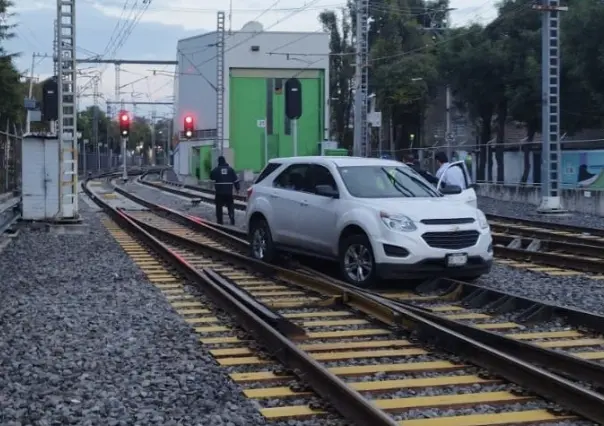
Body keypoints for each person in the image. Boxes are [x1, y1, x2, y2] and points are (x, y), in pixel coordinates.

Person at [210, 156, 240, 225]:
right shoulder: (231, 169)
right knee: (230, 206)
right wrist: (237, 189)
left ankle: (220, 221)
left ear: (219, 162)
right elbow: (236, 180)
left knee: (219, 207)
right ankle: (232, 218)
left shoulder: (216, 170)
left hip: (219, 193)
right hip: (229, 192)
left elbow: (211, 176)